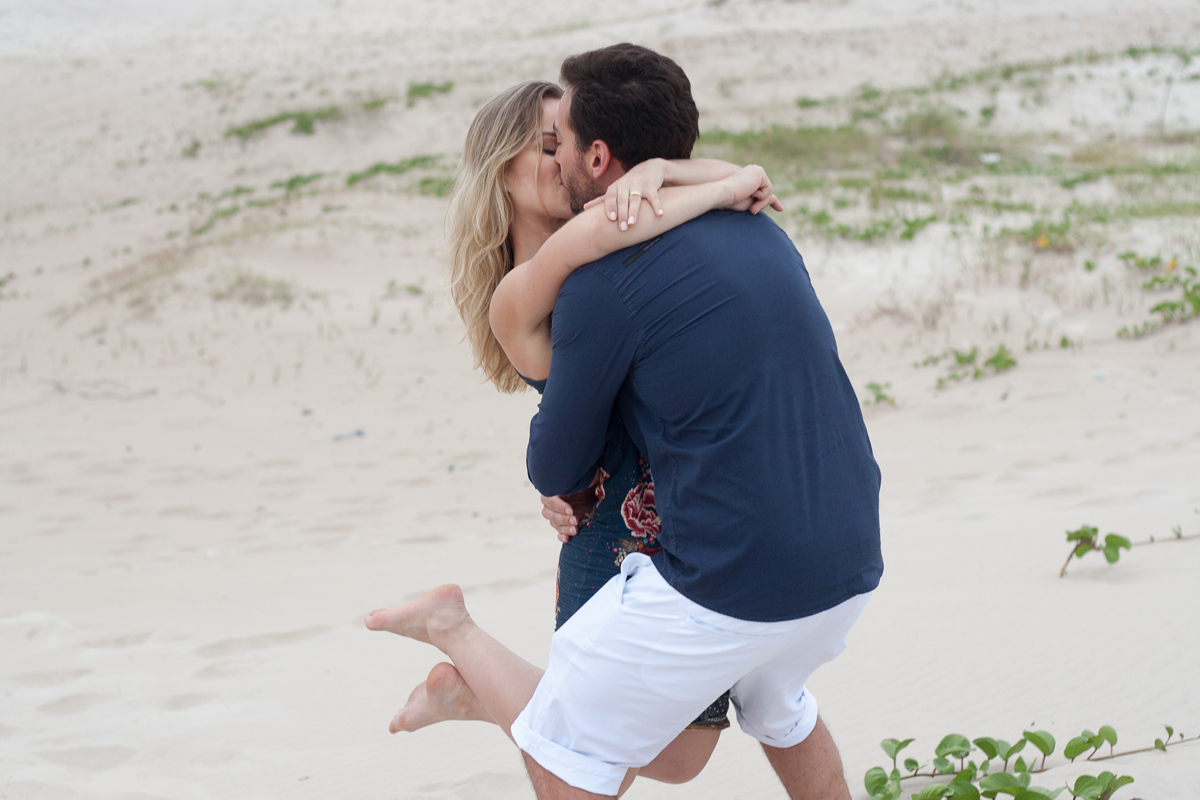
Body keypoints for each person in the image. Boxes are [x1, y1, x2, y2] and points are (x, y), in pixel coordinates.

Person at [369, 43, 884, 800]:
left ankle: (475, 685)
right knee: (606, 750)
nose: (558, 154)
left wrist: (663, 173)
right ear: (499, 172)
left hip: (677, 505)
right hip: (614, 518)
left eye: (563, 139)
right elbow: (597, 248)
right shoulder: (546, 280)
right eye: (544, 144)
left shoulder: (618, 237)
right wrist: (699, 179)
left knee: (674, 755)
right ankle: (458, 637)